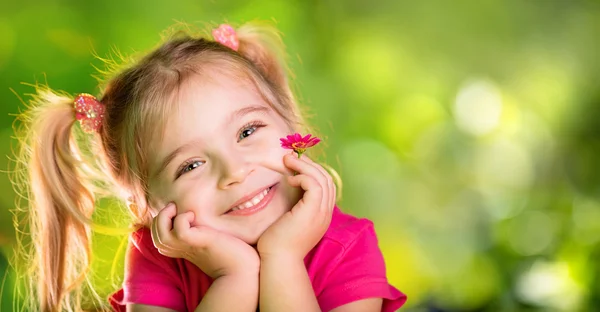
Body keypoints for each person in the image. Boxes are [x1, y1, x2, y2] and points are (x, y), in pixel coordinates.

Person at [11, 21, 406, 311]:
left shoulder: (347, 247)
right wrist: (234, 275)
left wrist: (282, 257)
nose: (234, 171)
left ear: (292, 125)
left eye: (248, 131)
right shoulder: (157, 259)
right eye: (191, 165)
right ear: (145, 208)